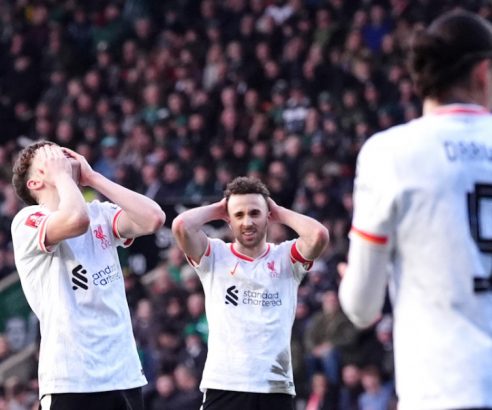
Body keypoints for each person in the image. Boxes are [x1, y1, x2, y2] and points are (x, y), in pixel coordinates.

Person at [339, 10, 492, 410]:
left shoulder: (390, 154)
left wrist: (355, 276)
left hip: (441, 389)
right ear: (483, 72)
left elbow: (361, 307)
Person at [10, 141, 166, 410]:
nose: (61, 158)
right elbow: (75, 220)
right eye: (49, 158)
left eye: (62, 154)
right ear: (34, 183)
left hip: (123, 373)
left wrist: (94, 177)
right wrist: (61, 176)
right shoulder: (28, 220)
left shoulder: (100, 213)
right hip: (72, 378)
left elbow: (153, 218)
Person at [172, 176, 329, 410]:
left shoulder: (286, 258)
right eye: (239, 215)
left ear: (268, 216)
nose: (247, 222)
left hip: (275, 387)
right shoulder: (215, 255)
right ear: (228, 219)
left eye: (255, 213)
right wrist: (220, 208)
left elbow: (318, 235)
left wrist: (278, 210)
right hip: (225, 385)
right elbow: (181, 226)